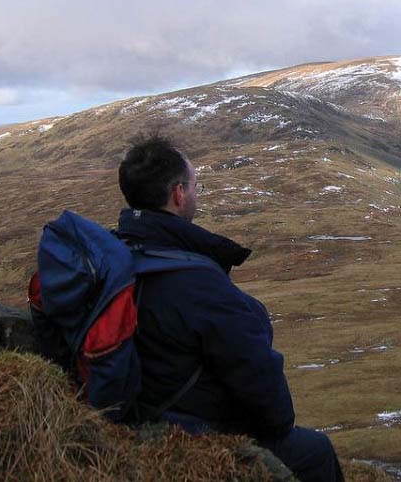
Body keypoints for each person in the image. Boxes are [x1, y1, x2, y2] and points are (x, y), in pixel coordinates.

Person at [116, 134, 343, 482]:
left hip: (129, 411)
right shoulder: (195, 281)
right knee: (315, 451)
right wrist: (279, 426)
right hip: (187, 430)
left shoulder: (116, 254)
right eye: (194, 186)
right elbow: (255, 372)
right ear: (178, 194)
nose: (195, 193)